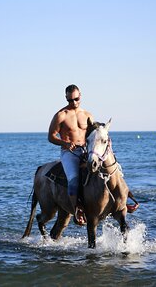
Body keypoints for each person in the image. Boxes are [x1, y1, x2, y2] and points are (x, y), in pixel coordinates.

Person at [48, 84, 94, 225]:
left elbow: (93, 134)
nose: (73, 102)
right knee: (73, 182)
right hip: (69, 153)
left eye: (76, 99)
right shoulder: (61, 115)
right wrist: (65, 144)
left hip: (86, 151)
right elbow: (51, 136)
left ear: (80, 95)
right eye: (70, 100)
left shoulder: (88, 115)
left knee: (108, 172)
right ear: (66, 98)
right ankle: (77, 212)